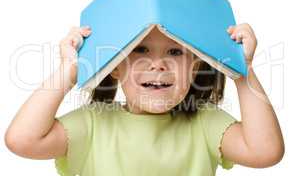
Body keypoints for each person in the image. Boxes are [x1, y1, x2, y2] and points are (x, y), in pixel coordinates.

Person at [5, 23, 284, 176]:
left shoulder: (205, 122)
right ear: (115, 65)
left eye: (175, 52)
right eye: (140, 50)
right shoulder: (94, 122)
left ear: (196, 66)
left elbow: (266, 152)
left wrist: (242, 69)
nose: (158, 64)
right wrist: (69, 70)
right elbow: (22, 140)